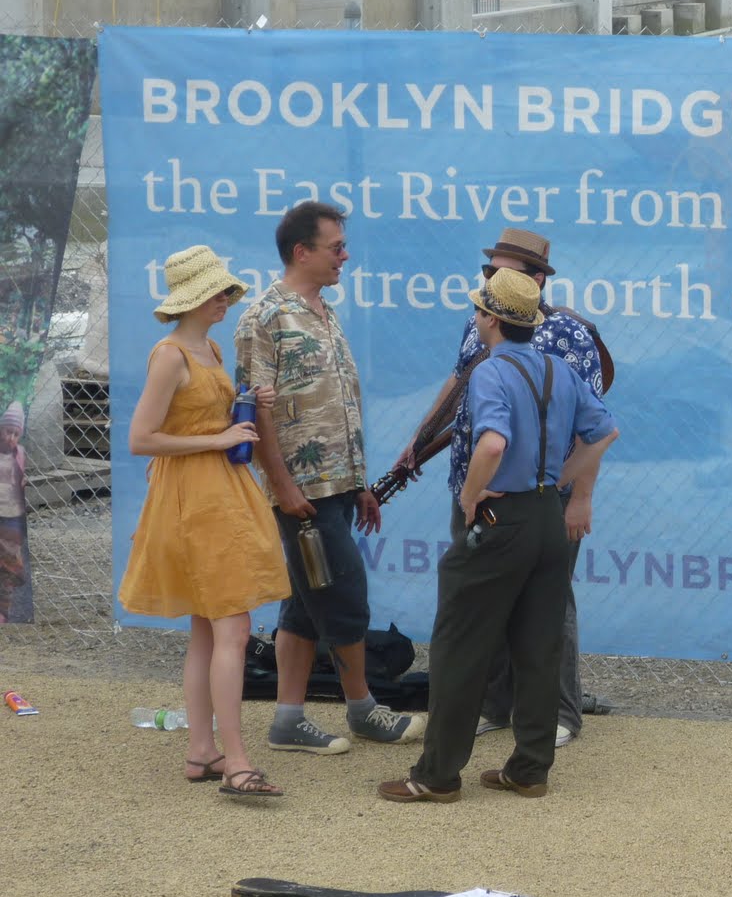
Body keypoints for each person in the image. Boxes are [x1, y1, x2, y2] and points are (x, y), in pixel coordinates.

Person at [378, 267, 617, 803]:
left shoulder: (490, 371)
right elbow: (605, 431)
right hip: (548, 518)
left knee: (459, 643)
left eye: (480, 311)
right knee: (538, 643)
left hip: (499, 517)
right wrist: (563, 478)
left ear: (489, 318)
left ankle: (437, 774)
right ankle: (530, 767)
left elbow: (490, 444)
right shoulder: (559, 369)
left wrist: (470, 496)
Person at [234, 200, 423, 755]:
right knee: (344, 595)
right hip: (304, 496)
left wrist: (359, 481)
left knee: (305, 602)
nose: (346, 255)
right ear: (302, 251)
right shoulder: (265, 318)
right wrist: (283, 485)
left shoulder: (322, 310)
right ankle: (363, 710)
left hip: (337, 488)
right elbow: (254, 410)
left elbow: (336, 405)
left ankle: (288, 720)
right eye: (335, 246)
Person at [117, 246, 292, 798]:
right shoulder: (169, 353)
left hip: (217, 494)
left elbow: (197, 412)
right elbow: (140, 438)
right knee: (231, 628)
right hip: (195, 499)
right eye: (219, 293)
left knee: (207, 628)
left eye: (226, 292)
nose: (227, 300)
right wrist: (218, 437)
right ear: (194, 298)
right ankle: (236, 761)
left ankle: (203, 750)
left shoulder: (207, 346)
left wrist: (244, 402)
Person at [0, 402, 30, 623]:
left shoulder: (20, 453)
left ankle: (3, 612)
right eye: (7, 431)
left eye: (15, 434)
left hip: (12, 519)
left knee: (9, 569)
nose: (10, 437)